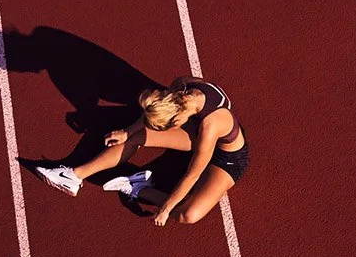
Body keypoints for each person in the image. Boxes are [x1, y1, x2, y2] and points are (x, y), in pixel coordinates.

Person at [36, 76, 249, 226]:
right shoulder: (180, 86)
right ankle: (73, 175)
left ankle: (138, 187)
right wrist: (128, 132)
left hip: (227, 159)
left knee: (188, 214)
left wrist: (165, 209)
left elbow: (192, 175)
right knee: (138, 136)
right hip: (196, 134)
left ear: (177, 120)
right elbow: (151, 117)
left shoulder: (212, 124)